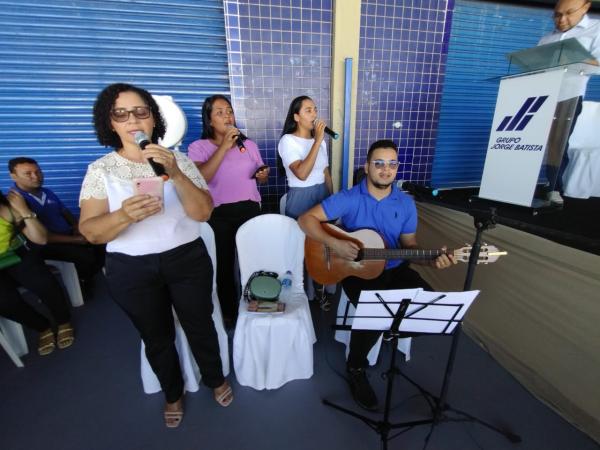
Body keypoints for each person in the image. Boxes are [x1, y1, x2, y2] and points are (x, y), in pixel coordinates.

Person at [79, 83, 232, 428]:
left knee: (200, 324)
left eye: (140, 111)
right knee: (156, 336)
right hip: (131, 268)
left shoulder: (178, 160)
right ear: (110, 123)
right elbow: (90, 231)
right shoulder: (100, 170)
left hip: (186, 259)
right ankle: (172, 392)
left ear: (153, 119)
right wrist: (123, 215)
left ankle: (214, 377)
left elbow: (203, 212)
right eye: (121, 113)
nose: (132, 119)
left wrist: (175, 173)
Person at [298, 139, 456, 411]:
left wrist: (432, 260)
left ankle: (390, 330)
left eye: (392, 164)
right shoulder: (349, 198)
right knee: (376, 311)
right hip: (356, 272)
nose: (386, 170)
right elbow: (306, 220)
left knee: (432, 306)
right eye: (379, 163)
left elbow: (409, 247)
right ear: (367, 166)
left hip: (395, 268)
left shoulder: (405, 203)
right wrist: (335, 244)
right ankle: (356, 367)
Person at [188, 95, 269, 326]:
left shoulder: (248, 145)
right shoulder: (198, 147)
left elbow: (260, 178)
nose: (227, 116)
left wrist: (263, 176)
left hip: (250, 209)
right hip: (219, 214)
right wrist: (224, 146)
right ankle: (230, 313)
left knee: (252, 261)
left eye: (229, 111)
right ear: (210, 120)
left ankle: (257, 303)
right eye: (220, 112)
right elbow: (202, 178)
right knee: (224, 265)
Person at [8, 157, 105, 293]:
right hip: (45, 245)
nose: (36, 177)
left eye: (38, 172)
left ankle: (90, 272)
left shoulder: (46, 192)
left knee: (101, 240)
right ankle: (83, 280)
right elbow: (41, 237)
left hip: (67, 234)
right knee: (84, 256)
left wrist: (77, 226)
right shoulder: (16, 201)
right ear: (13, 176)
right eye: (28, 174)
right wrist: (76, 240)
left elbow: (64, 211)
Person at [538, 0, 600, 204]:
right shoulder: (548, 38)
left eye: (569, 13)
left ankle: (554, 188)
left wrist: (570, 56)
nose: (562, 19)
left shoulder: (596, 30)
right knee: (533, 142)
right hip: (539, 95)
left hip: (567, 97)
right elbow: (536, 65)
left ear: (586, 7)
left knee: (557, 144)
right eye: (557, 14)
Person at [0, 190, 74, 356]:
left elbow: (41, 239)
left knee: (42, 282)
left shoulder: (9, 206)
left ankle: (63, 321)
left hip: (16, 254)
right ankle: (42, 327)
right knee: (4, 302)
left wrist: (25, 211)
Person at [278, 95, 335, 306]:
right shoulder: (287, 141)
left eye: (315, 109)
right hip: (301, 198)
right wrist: (318, 141)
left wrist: (332, 198)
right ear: (296, 117)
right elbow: (301, 173)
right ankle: (300, 293)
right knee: (301, 248)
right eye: (308, 110)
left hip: (322, 195)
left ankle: (321, 291)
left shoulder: (319, 142)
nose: (314, 114)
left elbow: (325, 172)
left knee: (322, 247)